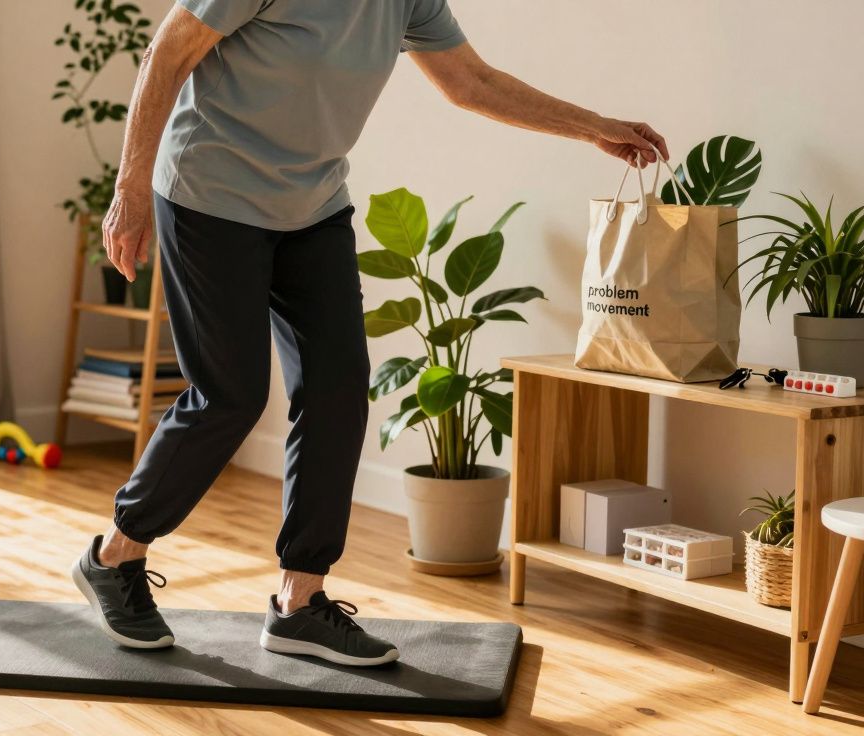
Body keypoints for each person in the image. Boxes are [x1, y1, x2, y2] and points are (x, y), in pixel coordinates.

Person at [72, 0, 668, 666]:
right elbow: (168, 53)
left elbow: (472, 82)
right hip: (209, 196)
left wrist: (595, 128)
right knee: (230, 395)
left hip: (312, 207)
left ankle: (299, 602)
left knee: (338, 389)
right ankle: (114, 555)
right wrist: (128, 188)